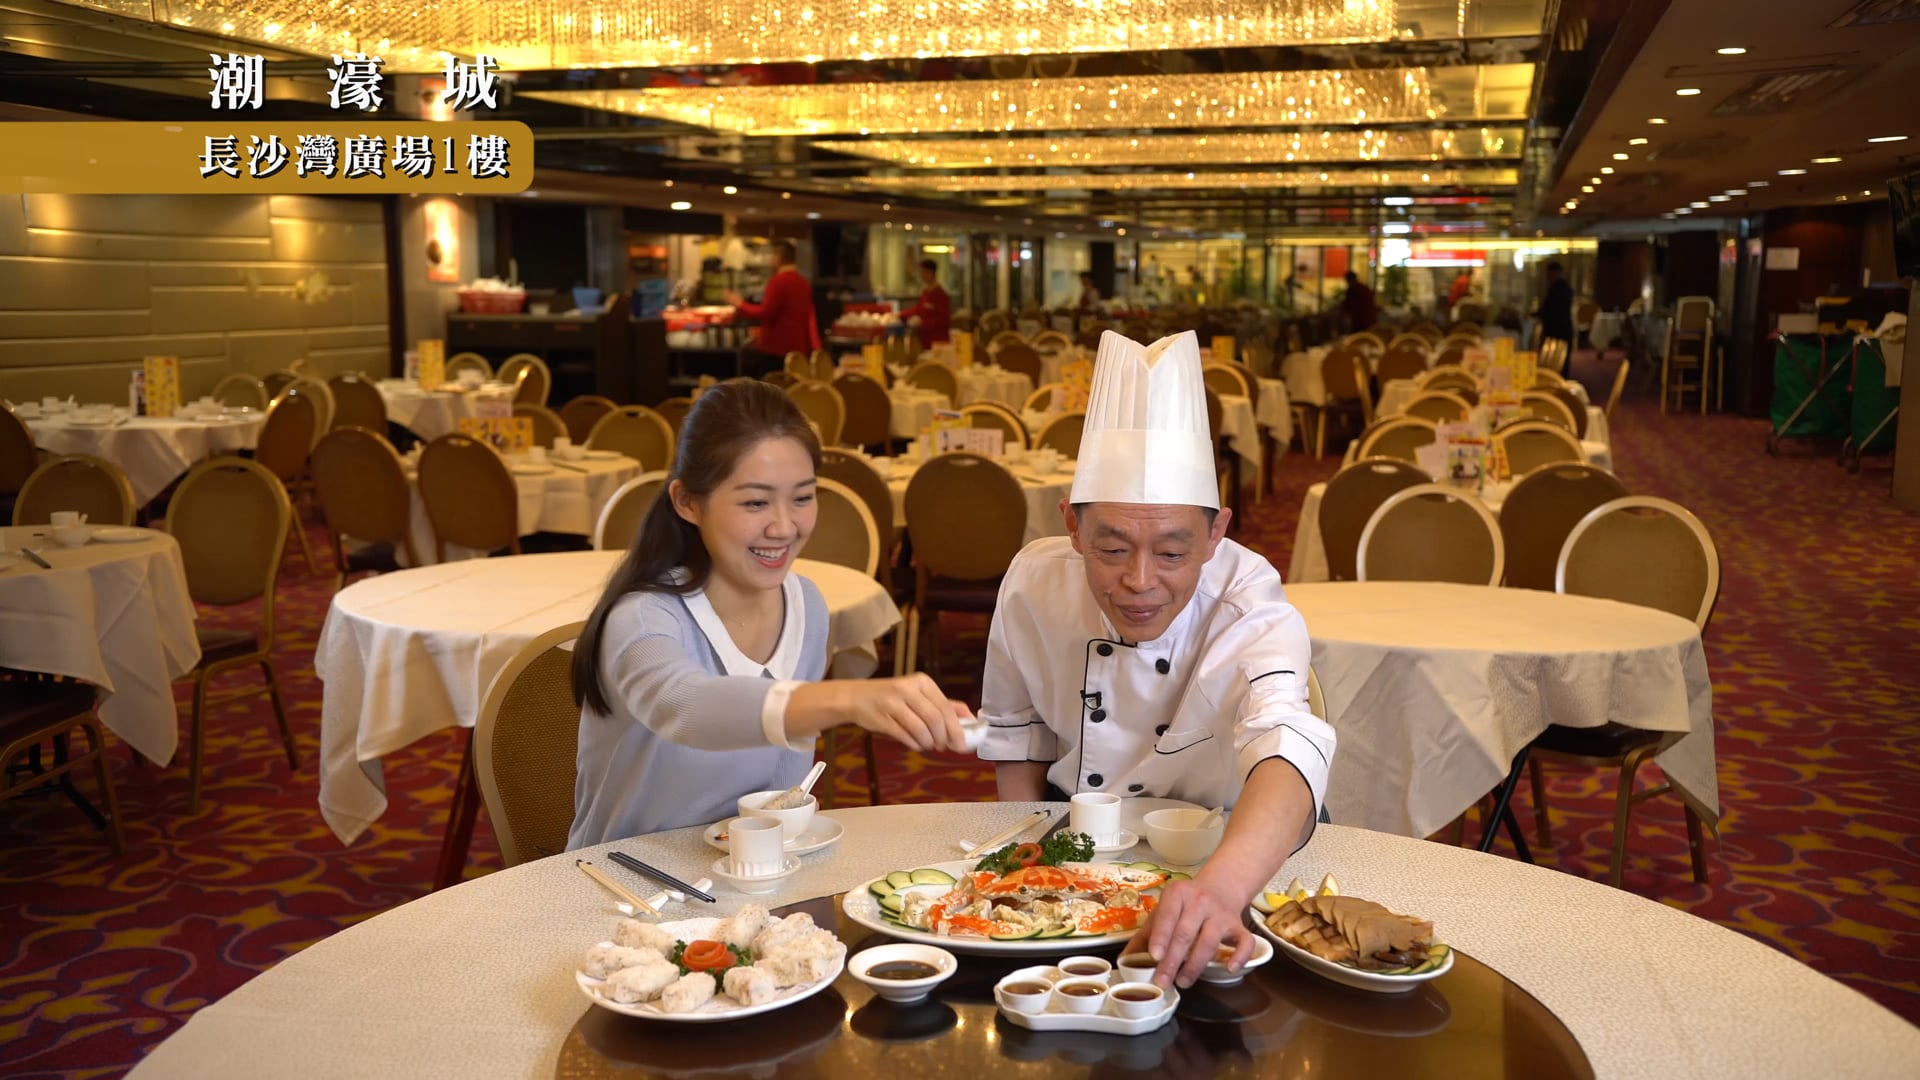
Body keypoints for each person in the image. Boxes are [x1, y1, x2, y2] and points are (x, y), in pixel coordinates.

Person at [976, 330, 1335, 990]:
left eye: (1173, 553)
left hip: (1223, 847)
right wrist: (1025, 859)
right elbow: (1017, 731)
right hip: (1075, 839)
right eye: (1111, 549)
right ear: (1072, 525)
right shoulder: (1032, 583)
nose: (1141, 581)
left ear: (1217, 533)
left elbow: (1286, 738)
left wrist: (1219, 889)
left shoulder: (1248, 599)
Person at [568, 380, 973, 847]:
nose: (784, 526)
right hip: (622, 891)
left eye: (802, 497)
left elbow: (782, 788)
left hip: (745, 883)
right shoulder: (644, 618)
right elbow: (685, 706)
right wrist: (850, 700)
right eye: (755, 502)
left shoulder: (807, 606)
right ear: (687, 502)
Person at [726, 241, 820, 378]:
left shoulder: (778, 281)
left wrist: (740, 304)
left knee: (773, 391)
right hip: (799, 349)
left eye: (773, 254)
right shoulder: (803, 282)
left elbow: (765, 313)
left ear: (779, 257)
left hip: (776, 349)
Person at [900, 258, 951, 348]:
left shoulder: (940, 294)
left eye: (923, 272)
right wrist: (901, 314)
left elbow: (944, 320)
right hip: (925, 340)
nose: (921, 275)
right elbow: (919, 309)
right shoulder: (926, 291)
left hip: (938, 342)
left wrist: (922, 323)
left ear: (931, 273)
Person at [1536, 260, 1575, 350]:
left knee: (1556, 359)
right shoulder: (1556, 288)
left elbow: (1554, 310)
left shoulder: (1561, 289)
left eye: (1550, 273)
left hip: (1558, 331)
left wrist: (1541, 314)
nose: (1548, 277)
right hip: (1557, 330)